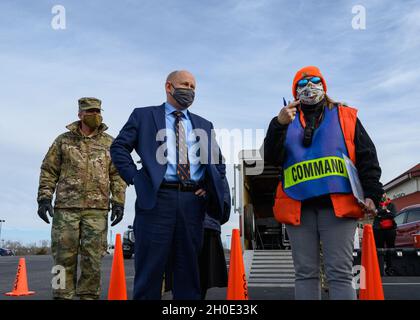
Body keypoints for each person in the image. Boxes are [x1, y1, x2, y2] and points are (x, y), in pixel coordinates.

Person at [261, 66, 383, 300]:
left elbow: (368, 157)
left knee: (340, 273)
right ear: (294, 91)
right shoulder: (284, 120)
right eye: (302, 84)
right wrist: (278, 124)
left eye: (314, 81)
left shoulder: (346, 115)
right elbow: (270, 159)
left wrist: (372, 194)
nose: (309, 86)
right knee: (305, 274)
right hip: (298, 206)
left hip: (337, 207)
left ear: (324, 85)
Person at [110, 70, 229, 300]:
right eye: (185, 84)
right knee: (150, 272)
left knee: (189, 272)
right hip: (155, 200)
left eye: (193, 87)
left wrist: (207, 185)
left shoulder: (204, 125)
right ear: (168, 87)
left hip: (192, 203)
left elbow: (218, 163)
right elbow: (118, 147)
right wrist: (134, 177)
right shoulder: (144, 116)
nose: (190, 90)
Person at [37, 97, 127, 300]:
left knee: (93, 260)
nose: (95, 115)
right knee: (62, 259)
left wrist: (119, 202)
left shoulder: (109, 143)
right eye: (90, 112)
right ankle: (60, 296)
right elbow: (49, 170)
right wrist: (44, 198)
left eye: (97, 111)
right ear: (80, 114)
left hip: (97, 211)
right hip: (65, 210)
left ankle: (89, 296)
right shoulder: (63, 140)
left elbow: (117, 175)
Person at [199, 178, 231, 299]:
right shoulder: (215, 165)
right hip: (209, 228)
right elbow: (224, 206)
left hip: (183, 226)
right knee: (202, 281)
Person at [373, 193, 397, 275]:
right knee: (379, 249)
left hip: (390, 230)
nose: (383, 196)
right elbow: (375, 213)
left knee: (391, 248)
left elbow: (393, 214)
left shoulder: (391, 205)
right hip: (378, 230)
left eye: (384, 195)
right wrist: (385, 212)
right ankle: (380, 269)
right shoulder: (376, 204)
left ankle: (390, 268)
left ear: (386, 196)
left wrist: (382, 213)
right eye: (381, 195)